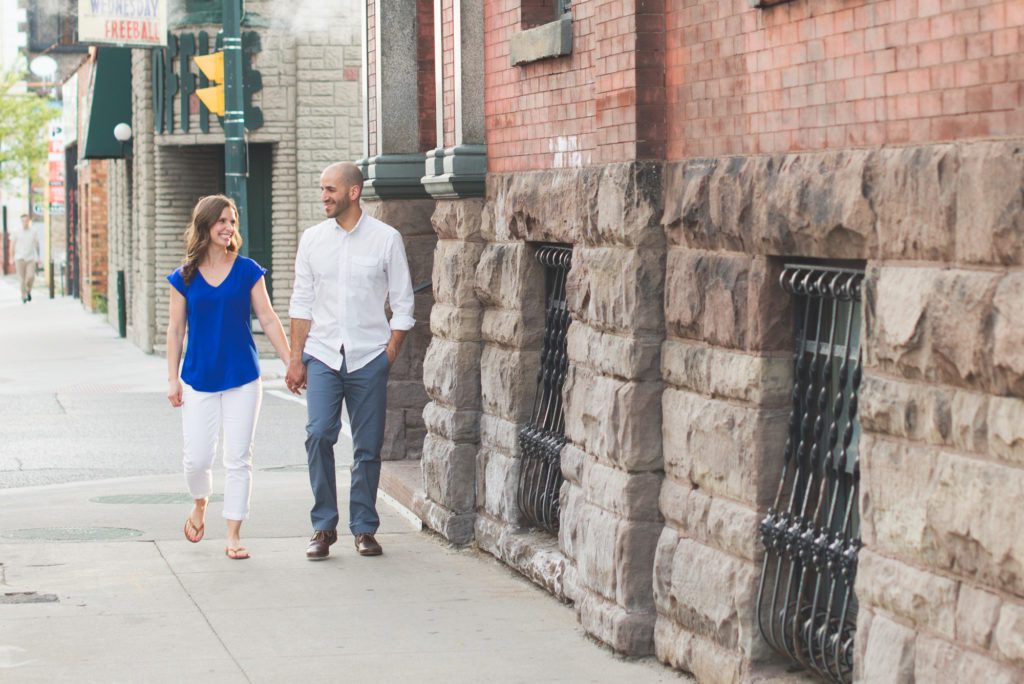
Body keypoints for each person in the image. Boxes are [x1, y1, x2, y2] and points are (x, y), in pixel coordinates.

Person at [286, 162, 414, 561]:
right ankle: (324, 526)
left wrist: (388, 353)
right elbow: (301, 303)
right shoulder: (312, 240)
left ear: (353, 192)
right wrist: (296, 358)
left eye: (330, 189)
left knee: (368, 447)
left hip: (368, 356)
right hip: (323, 354)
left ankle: (364, 528)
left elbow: (404, 303)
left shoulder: (386, 239)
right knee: (319, 433)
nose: (323, 196)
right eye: (322, 189)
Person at [165, 194, 292, 560]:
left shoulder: (248, 270)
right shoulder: (184, 276)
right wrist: (172, 379)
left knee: (239, 458)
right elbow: (175, 331)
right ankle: (200, 502)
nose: (228, 227)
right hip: (198, 377)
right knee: (197, 459)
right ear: (205, 225)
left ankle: (233, 533)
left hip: (242, 377)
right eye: (221, 221)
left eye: (233, 221)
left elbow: (267, 318)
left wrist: (289, 362)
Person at [11, 215, 38, 303]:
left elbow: (36, 245)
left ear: (29, 221)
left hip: (30, 258)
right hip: (19, 258)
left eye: (26, 220)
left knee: (30, 276)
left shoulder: (33, 231)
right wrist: (11, 257)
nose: (25, 222)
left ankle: (28, 290)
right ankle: (24, 296)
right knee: (21, 279)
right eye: (23, 221)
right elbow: (12, 245)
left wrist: (38, 257)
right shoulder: (16, 231)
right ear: (21, 221)